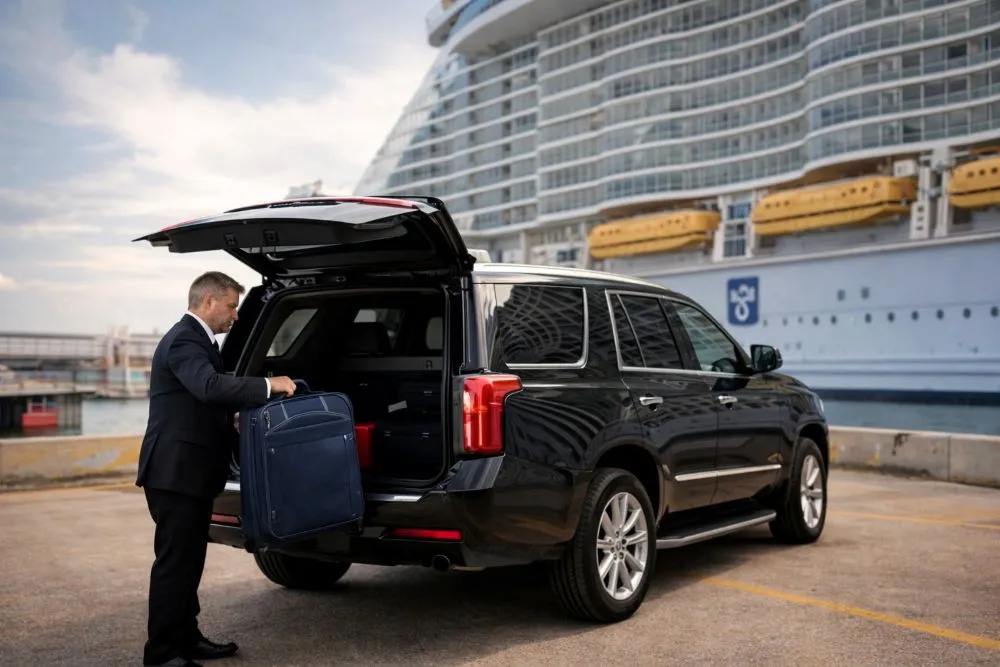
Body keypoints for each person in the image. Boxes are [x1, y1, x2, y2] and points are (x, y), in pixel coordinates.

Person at [136, 271, 296, 667]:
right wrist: (268, 385)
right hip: (174, 474)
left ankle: (186, 640)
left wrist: (233, 422)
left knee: (189, 562)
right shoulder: (184, 340)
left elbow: (202, 400)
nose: (235, 315)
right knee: (175, 564)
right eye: (231, 306)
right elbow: (208, 386)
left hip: (189, 472)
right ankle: (162, 653)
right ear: (208, 301)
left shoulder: (198, 340)